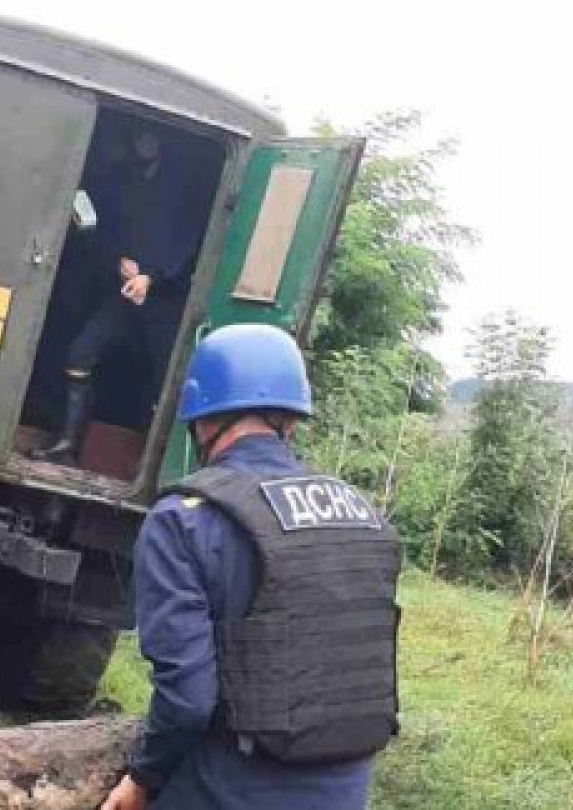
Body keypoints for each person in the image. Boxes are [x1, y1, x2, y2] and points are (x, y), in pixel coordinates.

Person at [101, 324, 403, 810]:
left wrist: (142, 779)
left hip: (232, 786)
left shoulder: (183, 519)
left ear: (200, 420)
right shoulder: (363, 514)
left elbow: (187, 702)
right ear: (292, 420)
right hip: (345, 791)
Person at [35, 125, 210, 464]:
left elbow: (190, 243)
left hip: (166, 303)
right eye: (139, 136)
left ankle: (158, 464)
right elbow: (104, 231)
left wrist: (152, 277)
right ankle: (68, 446)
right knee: (80, 354)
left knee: (167, 382)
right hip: (125, 297)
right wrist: (118, 261)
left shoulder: (184, 190)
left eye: (151, 136)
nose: (144, 141)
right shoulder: (122, 183)